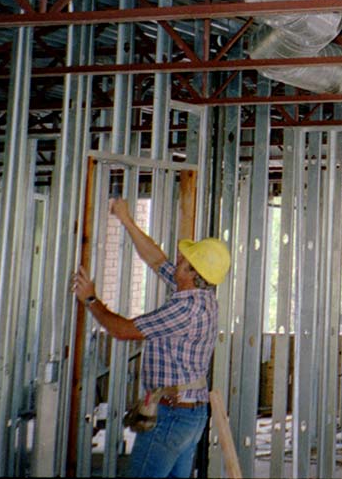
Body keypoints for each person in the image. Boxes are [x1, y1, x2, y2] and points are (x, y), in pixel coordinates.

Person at [71, 198, 231, 478]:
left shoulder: (184, 309)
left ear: (194, 274)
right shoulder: (203, 297)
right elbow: (157, 260)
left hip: (172, 416)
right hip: (190, 414)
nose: (179, 259)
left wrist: (91, 299)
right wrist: (126, 219)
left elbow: (122, 331)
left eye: (185, 260)